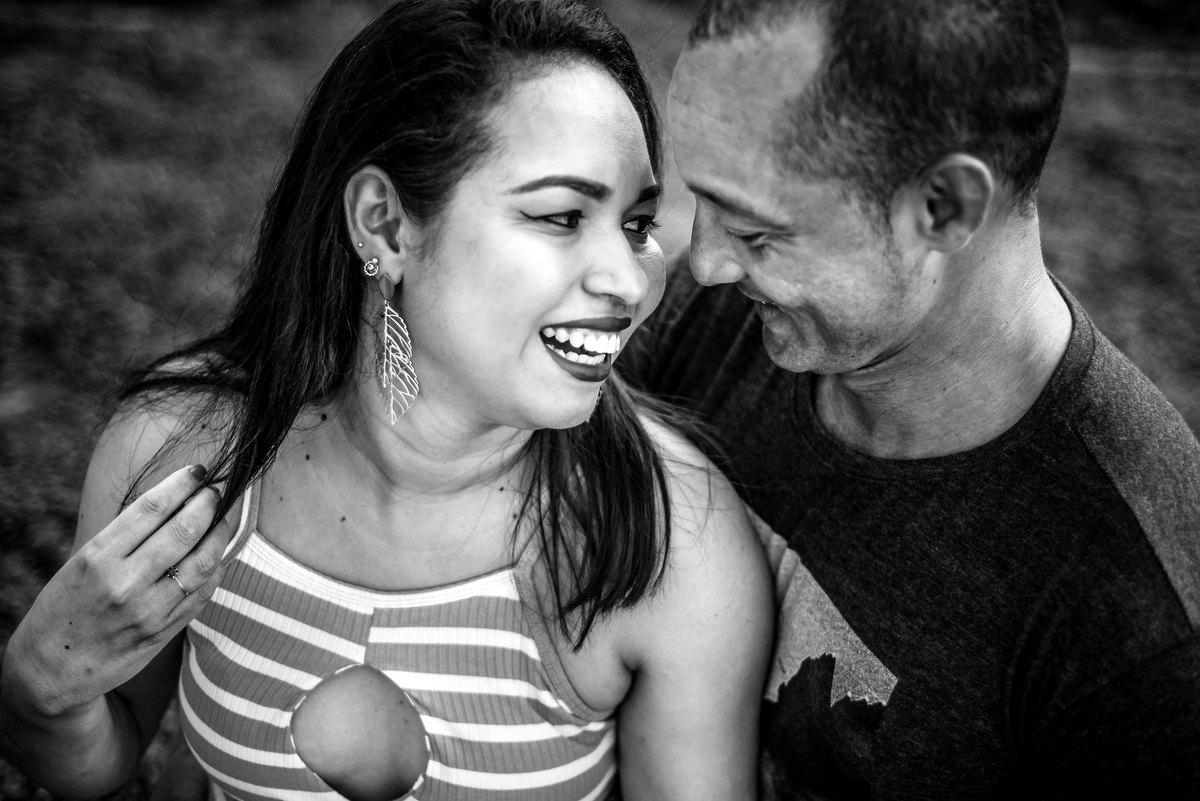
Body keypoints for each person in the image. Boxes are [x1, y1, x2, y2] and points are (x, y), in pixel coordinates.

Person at [0, 1, 774, 799]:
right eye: (563, 216)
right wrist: (36, 690)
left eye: (637, 222)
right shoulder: (178, 458)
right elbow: (101, 757)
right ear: (387, 225)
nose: (630, 278)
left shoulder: (671, 541)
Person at [622, 0, 1200, 797]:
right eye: (702, 200)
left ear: (945, 207)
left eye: (757, 232)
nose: (707, 261)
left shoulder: (1141, 630)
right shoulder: (719, 315)